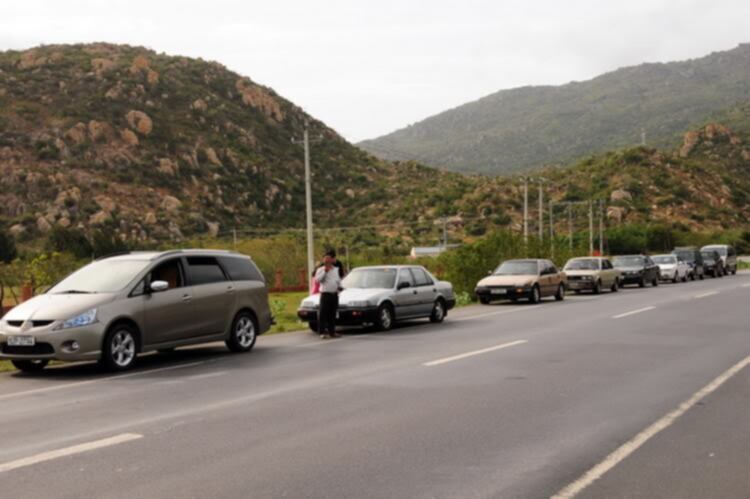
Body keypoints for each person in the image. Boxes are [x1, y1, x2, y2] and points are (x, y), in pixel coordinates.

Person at [314, 249, 343, 339]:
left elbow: (337, 280)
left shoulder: (335, 269)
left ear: (332, 260)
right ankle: (322, 332)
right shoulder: (320, 269)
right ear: (324, 261)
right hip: (325, 295)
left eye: (329, 259)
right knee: (323, 314)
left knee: (332, 314)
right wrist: (325, 272)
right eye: (326, 259)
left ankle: (332, 332)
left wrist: (339, 286)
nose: (327, 261)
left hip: (334, 294)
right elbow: (318, 280)